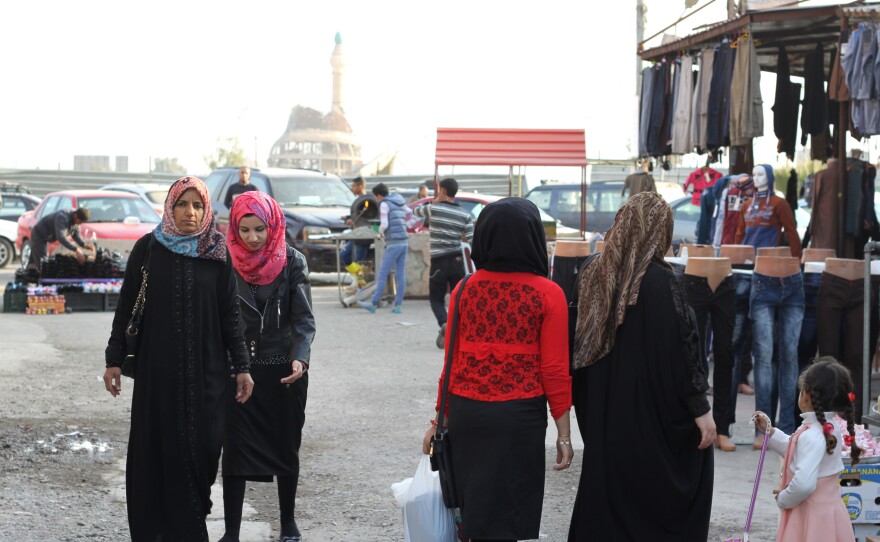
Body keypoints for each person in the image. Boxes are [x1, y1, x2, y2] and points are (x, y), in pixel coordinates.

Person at [102, 176, 254, 541]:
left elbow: (230, 316)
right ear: (169, 208)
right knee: (158, 450)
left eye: (197, 205)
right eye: (182, 204)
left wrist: (242, 367)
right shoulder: (149, 249)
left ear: (206, 209)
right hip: (159, 375)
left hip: (209, 374)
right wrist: (114, 359)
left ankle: (189, 518)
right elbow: (125, 308)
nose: (190, 212)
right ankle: (172, 531)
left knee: (204, 451)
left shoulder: (217, 252)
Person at [420, 198, 573, 542]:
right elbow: (554, 370)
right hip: (518, 418)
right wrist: (564, 434)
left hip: (467, 413)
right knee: (510, 513)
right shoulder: (549, 294)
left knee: (472, 512)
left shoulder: (464, 289)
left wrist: (438, 421)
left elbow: (451, 364)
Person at [569, 192, 715, 541]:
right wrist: (700, 407)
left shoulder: (591, 272)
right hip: (651, 414)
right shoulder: (660, 281)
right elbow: (683, 350)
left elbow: (578, 344)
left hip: (604, 410)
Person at [222, 191, 316, 542]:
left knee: (285, 446)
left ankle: (288, 523)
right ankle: (231, 531)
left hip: (283, 372)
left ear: (272, 225)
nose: (252, 238)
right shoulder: (225, 262)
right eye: (244, 230)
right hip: (238, 372)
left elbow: (304, 320)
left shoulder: (293, 261)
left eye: (259, 229)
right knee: (234, 450)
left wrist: (300, 356)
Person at [753, 357, 860, 542]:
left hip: (811, 517)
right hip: (828, 514)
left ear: (807, 396)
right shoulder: (829, 427)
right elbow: (798, 451)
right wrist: (771, 433)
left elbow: (804, 484)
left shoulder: (813, 435)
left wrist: (784, 498)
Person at [412, 178, 474, 348]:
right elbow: (472, 240)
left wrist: (434, 201)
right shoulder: (465, 214)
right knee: (458, 298)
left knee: (436, 299)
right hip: (457, 261)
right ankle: (459, 332)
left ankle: (445, 324)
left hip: (439, 262)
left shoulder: (433, 209)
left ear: (443, 192)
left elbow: (416, 211)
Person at [357, 183, 413, 314]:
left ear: (378, 195)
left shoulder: (384, 203)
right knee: (400, 274)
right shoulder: (399, 201)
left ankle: (373, 303)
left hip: (393, 242)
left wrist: (379, 232)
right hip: (404, 242)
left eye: (375, 197)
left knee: (383, 273)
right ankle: (398, 306)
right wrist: (406, 227)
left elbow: (385, 224)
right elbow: (412, 214)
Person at [28, 207, 94, 269]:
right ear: (76, 216)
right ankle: (39, 279)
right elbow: (61, 237)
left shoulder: (76, 221)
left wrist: (84, 244)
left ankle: (28, 276)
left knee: (33, 263)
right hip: (39, 235)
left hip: (47, 237)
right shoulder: (62, 217)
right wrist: (76, 249)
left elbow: (76, 235)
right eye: (80, 222)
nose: (80, 224)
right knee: (43, 264)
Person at [340, 176, 370, 271]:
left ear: (360, 186)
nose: (352, 188)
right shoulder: (358, 200)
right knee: (344, 256)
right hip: (355, 234)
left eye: (354, 186)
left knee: (359, 261)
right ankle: (357, 278)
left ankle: (359, 282)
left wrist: (353, 221)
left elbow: (366, 218)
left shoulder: (366, 201)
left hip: (362, 236)